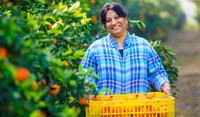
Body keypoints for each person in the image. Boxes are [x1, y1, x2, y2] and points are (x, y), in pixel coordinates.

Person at [81, 2, 171, 96]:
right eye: (108, 20)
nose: (114, 22)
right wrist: (88, 91)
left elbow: (156, 73)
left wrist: (164, 84)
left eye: (117, 17)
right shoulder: (95, 49)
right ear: (105, 25)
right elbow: (86, 76)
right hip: (106, 109)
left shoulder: (143, 46)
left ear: (126, 19)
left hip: (138, 108)